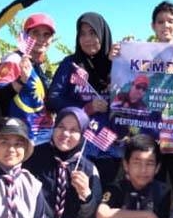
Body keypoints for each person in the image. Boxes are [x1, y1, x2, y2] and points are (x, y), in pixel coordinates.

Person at [47, 12, 120, 184]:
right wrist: (86, 108)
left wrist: (117, 64)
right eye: (82, 34)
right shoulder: (71, 64)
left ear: (103, 34)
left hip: (110, 146)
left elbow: (131, 100)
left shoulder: (118, 63)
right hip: (77, 146)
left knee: (105, 194)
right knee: (78, 193)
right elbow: (53, 99)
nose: (87, 39)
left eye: (93, 33)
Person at [0, 12, 58, 146]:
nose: (41, 38)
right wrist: (21, 80)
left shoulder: (40, 66)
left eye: (46, 34)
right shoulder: (14, 60)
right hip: (20, 141)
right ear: (25, 36)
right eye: (35, 33)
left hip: (42, 140)